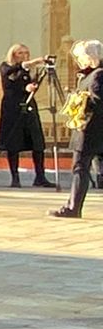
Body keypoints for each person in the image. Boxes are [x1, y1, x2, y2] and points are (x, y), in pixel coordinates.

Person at [54, 41, 103, 219]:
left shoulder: (97, 75)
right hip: (94, 131)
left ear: (90, 57)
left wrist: (80, 101)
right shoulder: (90, 75)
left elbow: (98, 102)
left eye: (81, 57)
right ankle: (72, 206)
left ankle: (73, 207)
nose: (78, 61)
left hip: (90, 130)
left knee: (80, 168)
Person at [0, 43, 55, 189]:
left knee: (37, 142)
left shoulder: (28, 70)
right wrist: (31, 64)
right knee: (13, 144)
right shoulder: (5, 66)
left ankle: (40, 177)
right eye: (20, 53)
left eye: (26, 53)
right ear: (13, 55)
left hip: (28, 105)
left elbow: (28, 83)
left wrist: (31, 86)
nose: (24, 56)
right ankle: (15, 178)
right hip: (13, 108)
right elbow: (10, 79)